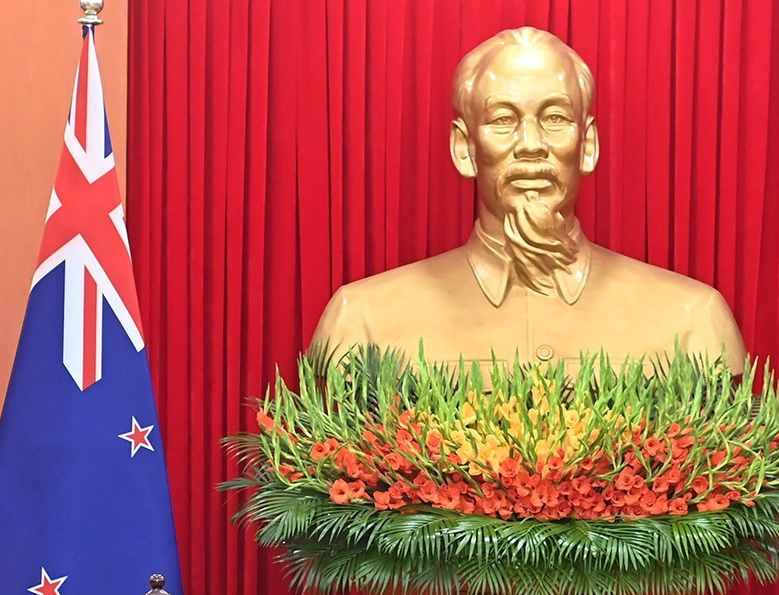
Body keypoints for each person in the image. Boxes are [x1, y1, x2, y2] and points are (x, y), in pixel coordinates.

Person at [308, 26, 747, 373]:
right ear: (464, 149)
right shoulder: (363, 320)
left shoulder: (691, 319)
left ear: (588, 143)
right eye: (503, 119)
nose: (531, 144)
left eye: (555, 117)